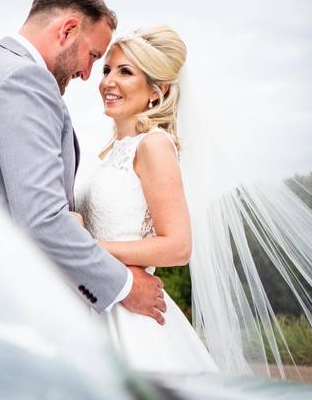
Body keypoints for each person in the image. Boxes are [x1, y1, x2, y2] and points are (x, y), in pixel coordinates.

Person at [0, 0, 165, 323]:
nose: (88, 74)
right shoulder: (23, 80)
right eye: (93, 56)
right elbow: (41, 216)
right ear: (67, 30)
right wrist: (125, 286)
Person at [76, 25, 218, 373]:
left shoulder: (153, 145)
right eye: (107, 69)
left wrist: (88, 249)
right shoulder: (109, 153)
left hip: (131, 318)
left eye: (125, 72)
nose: (108, 81)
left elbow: (178, 246)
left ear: (157, 90)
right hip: (94, 301)